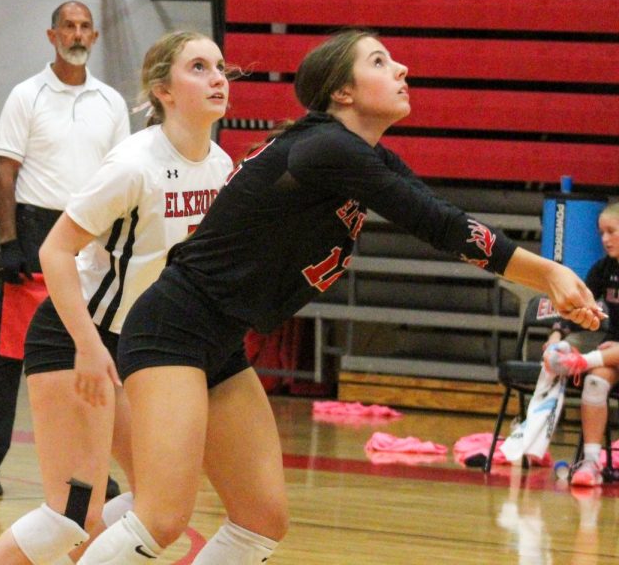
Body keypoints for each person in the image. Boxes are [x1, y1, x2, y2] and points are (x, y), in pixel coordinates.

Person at [73, 29, 603, 564]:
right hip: (173, 328)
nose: (401, 69)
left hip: (221, 342)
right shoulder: (326, 148)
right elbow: (438, 224)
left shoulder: (362, 156)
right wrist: (549, 273)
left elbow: (437, 215)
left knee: (260, 521)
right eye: (380, 60)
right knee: (163, 517)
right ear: (342, 94)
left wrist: (547, 278)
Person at [0, 31, 234, 565]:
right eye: (199, 67)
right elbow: (54, 251)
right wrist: (88, 346)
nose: (218, 78)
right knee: (70, 513)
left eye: (220, 67)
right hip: (76, 336)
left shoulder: (220, 166)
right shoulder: (133, 164)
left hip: (137, 346)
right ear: (163, 90)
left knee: (153, 503)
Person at [0, 1, 130, 496]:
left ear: (95, 36)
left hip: (93, 235)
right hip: (36, 235)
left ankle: (91, 467)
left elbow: (122, 175)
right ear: (51, 34)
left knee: (90, 354)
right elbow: (4, 174)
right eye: (69, 26)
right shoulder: (26, 95)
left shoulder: (112, 102)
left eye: (85, 27)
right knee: (9, 354)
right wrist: (8, 243)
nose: (77, 34)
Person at [541, 201, 619, 486]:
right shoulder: (603, 269)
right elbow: (577, 308)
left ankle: (582, 362)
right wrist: (557, 335)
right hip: (612, 353)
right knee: (595, 384)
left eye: (611, 231)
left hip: (612, 352)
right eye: (601, 233)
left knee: (592, 364)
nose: (605, 239)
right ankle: (591, 463)